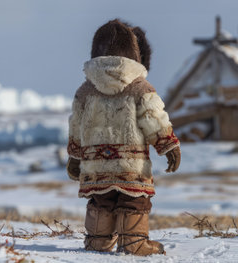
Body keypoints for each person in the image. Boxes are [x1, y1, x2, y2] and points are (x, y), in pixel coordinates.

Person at [66, 19, 180, 256]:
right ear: (134, 54)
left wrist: (76, 156)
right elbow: (154, 118)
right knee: (133, 200)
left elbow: (76, 125)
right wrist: (168, 145)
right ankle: (133, 242)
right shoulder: (140, 88)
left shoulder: (85, 90)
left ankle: (97, 240)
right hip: (132, 166)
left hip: (96, 165)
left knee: (101, 200)